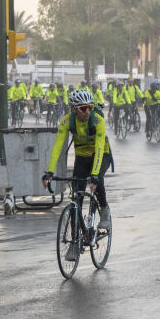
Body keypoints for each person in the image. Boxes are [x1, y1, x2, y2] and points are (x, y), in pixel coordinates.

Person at [42, 89, 113, 238]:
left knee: (98, 179)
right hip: (81, 157)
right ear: (74, 109)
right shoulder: (67, 121)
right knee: (75, 200)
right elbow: (57, 147)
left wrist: (94, 175)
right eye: (83, 108)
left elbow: (99, 147)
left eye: (90, 107)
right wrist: (49, 172)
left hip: (101, 154)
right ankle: (75, 241)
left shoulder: (97, 120)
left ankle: (104, 210)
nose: (87, 111)